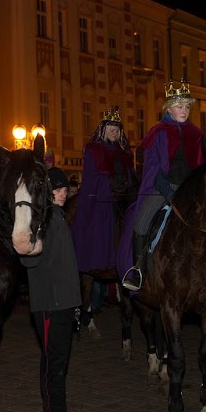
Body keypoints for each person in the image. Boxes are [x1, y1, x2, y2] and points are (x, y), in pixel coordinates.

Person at [120, 80, 205, 290]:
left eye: (187, 106)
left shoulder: (195, 134)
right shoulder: (158, 132)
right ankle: (137, 271)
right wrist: (167, 191)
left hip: (189, 191)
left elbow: (201, 166)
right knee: (140, 225)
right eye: (179, 106)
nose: (184, 111)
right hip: (161, 189)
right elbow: (153, 167)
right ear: (168, 108)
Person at [21, 167, 82, 412]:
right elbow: (28, 260)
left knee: (58, 367)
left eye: (65, 189)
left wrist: (76, 304)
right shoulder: (42, 218)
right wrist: (31, 247)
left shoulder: (57, 216)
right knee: (52, 369)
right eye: (57, 189)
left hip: (65, 304)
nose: (62, 194)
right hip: (50, 303)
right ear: (45, 191)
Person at [71, 108, 137, 283]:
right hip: (104, 197)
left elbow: (130, 174)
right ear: (104, 130)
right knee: (101, 220)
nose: (114, 132)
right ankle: (100, 259)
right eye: (111, 129)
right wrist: (107, 188)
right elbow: (92, 178)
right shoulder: (94, 150)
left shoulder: (124, 152)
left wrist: (131, 186)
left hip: (123, 196)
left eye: (117, 129)